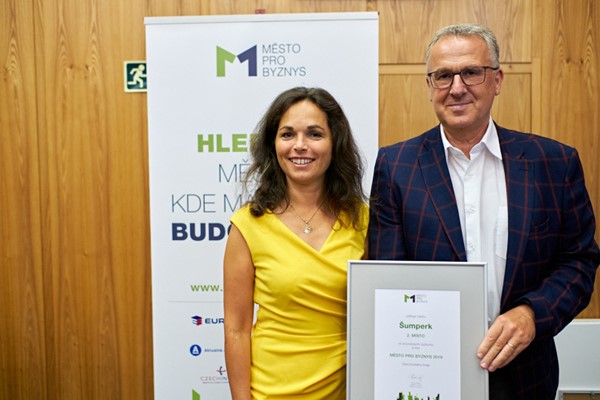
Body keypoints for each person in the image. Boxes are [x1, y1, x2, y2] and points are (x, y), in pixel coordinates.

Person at [368, 24, 600, 399]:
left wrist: (532, 314)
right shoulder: (396, 167)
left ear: (497, 80)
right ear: (429, 86)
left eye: (472, 72)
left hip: (525, 376)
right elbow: (388, 276)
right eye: (443, 76)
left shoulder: (553, 163)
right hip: (429, 375)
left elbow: (579, 261)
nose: (457, 87)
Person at [223, 86, 369, 399]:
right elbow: (236, 329)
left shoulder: (363, 221)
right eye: (287, 134)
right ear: (273, 144)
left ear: (334, 142)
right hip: (269, 391)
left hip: (347, 391)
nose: (299, 145)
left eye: (314, 134)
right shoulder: (248, 225)